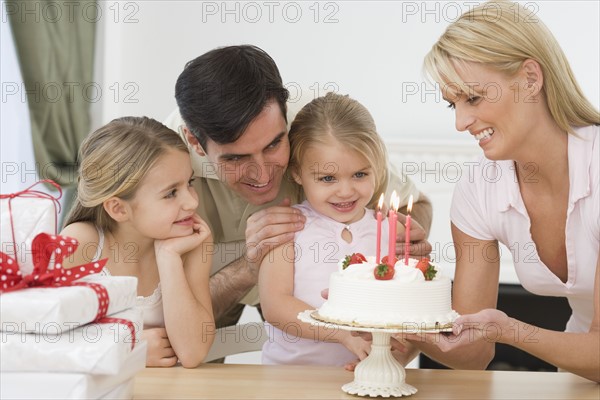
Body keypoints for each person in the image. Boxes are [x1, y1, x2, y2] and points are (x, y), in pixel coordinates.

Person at [394, 0, 599, 382]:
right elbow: (472, 354)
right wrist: (406, 300)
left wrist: (508, 330)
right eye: (451, 103)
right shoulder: (480, 185)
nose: (460, 122)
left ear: (531, 79)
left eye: (472, 97)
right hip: (582, 375)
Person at [164, 45, 434, 332]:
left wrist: (401, 244)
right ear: (195, 143)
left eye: (273, 145)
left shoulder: (319, 128)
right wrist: (248, 267)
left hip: (311, 299)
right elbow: (170, 313)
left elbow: (415, 205)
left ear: (285, 115)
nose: (263, 173)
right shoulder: (164, 161)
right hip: (210, 288)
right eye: (236, 158)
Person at [259, 92, 413, 365]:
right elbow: (276, 307)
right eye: (328, 178)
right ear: (296, 172)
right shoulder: (286, 228)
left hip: (367, 376)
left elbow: (407, 308)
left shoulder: (391, 231)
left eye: (360, 174)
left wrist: (387, 359)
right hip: (289, 380)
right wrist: (341, 334)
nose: (345, 191)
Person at [61, 117, 215, 368]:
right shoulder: (80, 243)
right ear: (118, 209)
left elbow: (192, 352)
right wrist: (128, 348)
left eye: (190, 183)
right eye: (171, 193)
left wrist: (168, 258)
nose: (192, 203)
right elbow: (39, 339)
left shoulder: (193, 242)